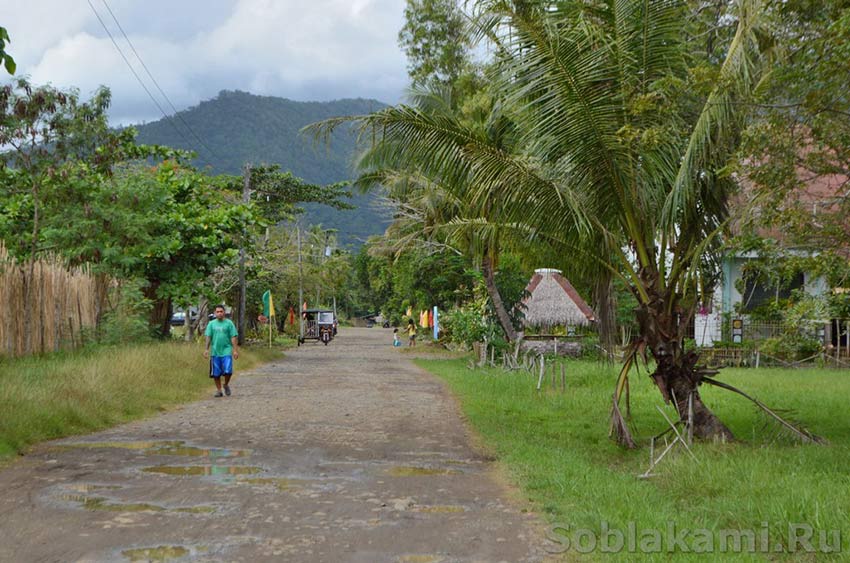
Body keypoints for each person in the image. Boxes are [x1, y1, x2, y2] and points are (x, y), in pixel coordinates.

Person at [204, 304, 239, 397]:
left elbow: (233, 337)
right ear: (215, 313)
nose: (219, 313)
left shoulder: (229, 323)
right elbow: (208, 336)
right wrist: (206, 349)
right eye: (217, 312)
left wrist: (235, 350)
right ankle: (219, 390)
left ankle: (226, 384)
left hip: (226, 350)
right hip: (215, 351)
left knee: (228, 371)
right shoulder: (211, 324)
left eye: (221, 311)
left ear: (224, 312)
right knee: (216, 373)